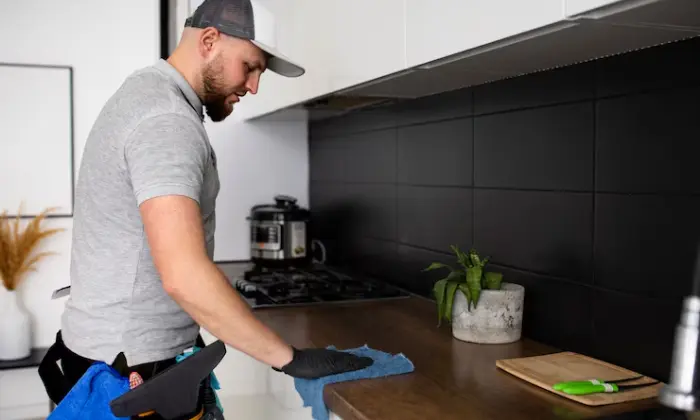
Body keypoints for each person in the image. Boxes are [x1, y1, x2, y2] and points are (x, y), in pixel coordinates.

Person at [39, 0, 372, 417]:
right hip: (127, 378)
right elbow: (184, 275)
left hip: (105, 358)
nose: (253, 86)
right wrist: (289, 357)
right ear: (210, 41)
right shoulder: (166, 119)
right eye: (250, 66)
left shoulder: (147, 95)